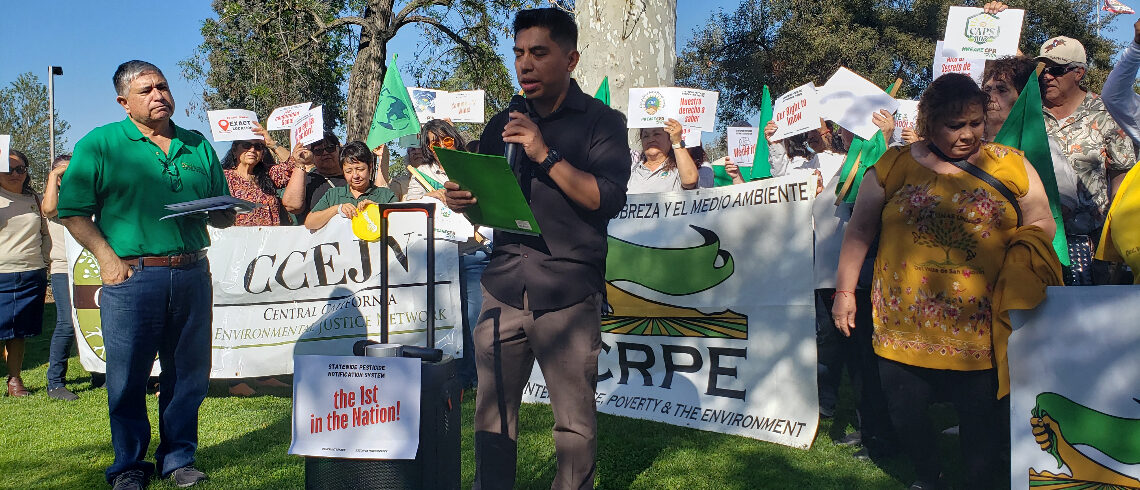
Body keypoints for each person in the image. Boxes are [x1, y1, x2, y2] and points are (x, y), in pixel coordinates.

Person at [833, 73, 1056, 488]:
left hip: (982, 324)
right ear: (929, 121)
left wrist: (1025, 251)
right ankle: (928, 476)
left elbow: (1042, 219)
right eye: (955, 125)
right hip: (902, 323)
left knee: (981, 418)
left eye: (975, 122)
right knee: (907, 411)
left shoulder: (1010, 164)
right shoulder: (893, 164)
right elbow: (859, 231)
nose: (968, 134)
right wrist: (845, 292)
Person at [443, 8, 630, 489]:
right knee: (492, 417)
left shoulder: (603, 122)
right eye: (519, 53)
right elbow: (490, 204)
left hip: (567, 291)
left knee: (573, 424)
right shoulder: (503, 122)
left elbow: (604, 200)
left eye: (539, 53)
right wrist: (465, 201)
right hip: (502, 287)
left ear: (571, 59)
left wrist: (545, 153)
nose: (525, 64)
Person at [57, 60, 235, 489]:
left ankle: (178, 459)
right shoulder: (100, 144)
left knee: (189, 373)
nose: (159, 95)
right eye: (147, 90)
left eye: (163, 86)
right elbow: (72, 212)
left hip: (192, 272)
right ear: (124, 101)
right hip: (133, 278)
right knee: (127, 377)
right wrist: (106, 257)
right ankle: (129, 466)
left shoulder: (197, 145)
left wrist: (226, 212)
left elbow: (222, 213)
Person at [1036, 35, 1137, 284]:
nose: (1047, 76)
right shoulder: (1028, 115)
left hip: (1093, 245)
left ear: (1079, 72)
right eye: (1042, 70)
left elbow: (1121, 175)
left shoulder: (1107, 113)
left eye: (1057, 70)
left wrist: (1114, 242)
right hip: (1040, 242)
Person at [403, 119, 490, 389]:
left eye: (445, 140)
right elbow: (409, 203)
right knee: (453, 320)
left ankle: (482, 377)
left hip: (473, 253)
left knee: (476, 318)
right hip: (441, 257)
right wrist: (433, 195)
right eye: (433, 142)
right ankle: (461, 377)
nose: (440, 146)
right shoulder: (421, 171)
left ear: (455, 138)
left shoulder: (470, 163)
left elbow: (487, 197)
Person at [1, 149, 49, 398]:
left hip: (31, 273)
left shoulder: (36, 198)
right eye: (8, 168)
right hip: (1, 272)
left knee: (18, 332)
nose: (15, 174)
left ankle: (14, 380)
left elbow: (45, 234)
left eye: (21, 169)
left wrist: (46, 263)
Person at [40, 154, 83, 400]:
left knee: (96, 321)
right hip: (63, 268)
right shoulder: (52, 197)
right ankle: (55, 382)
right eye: (61, 175)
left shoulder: (85, 192)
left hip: (90, 268)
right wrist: (55, 174)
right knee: (67, 323)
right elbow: (49, 209)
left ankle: (101, 374)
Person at [221, 125, 302, 227]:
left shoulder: (268, 173)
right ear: (234, 149)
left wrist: (272, 144)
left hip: (271, 239)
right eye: (246, 145)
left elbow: (296, 165)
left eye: (258, 147)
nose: (252, 150)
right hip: (239, 240)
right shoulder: (223, 178)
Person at [304, 141, 396, 230]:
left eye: (360, 169)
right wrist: (336, 209)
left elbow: (399, 221)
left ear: (370, 167)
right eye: (349, 171)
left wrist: (377, 208)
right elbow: (309, 223)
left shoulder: (386, 195)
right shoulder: (333, 195)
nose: (355, 176)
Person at [282, 131, 346, 224]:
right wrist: (300, 163)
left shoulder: (354, 177)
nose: (325, 153)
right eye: (318, 151)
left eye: (330, 148)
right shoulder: (307, 180)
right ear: (312, 155)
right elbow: (291, 206)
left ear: (339, 149)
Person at [628, 118, 700, 193]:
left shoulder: (678, 170)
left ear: (669, 139)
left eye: (656, 134)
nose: (651, 139)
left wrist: (677, 141)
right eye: (646, 136)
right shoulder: (631, 171)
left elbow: (690, 180)